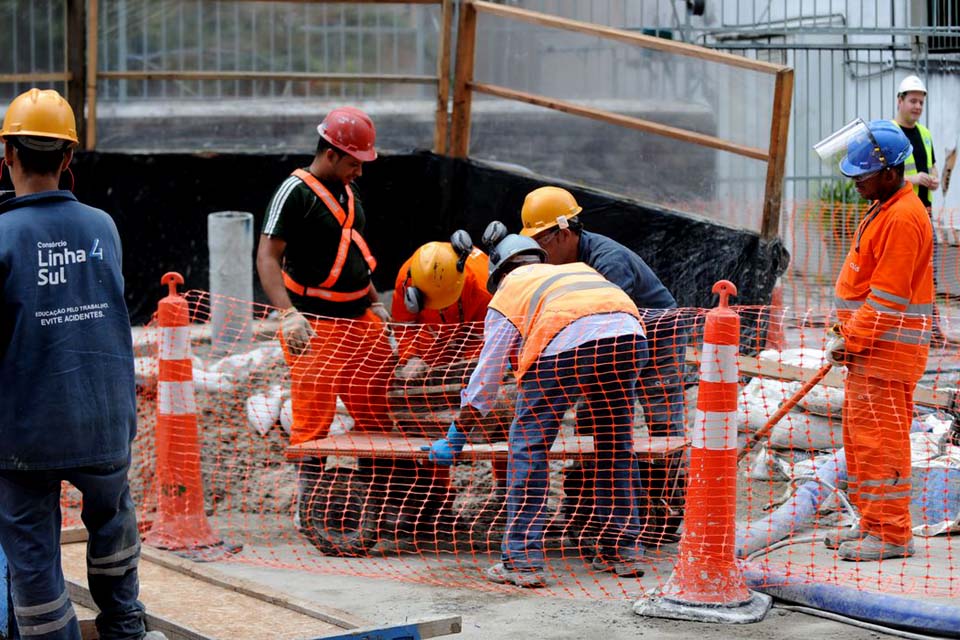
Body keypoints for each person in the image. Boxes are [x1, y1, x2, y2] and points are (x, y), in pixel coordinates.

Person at [0, 89, 163, 639]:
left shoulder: (2, 236)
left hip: (25, 433)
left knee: (32, 557)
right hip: (103, 420)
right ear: (69, 158)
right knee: (112, 526)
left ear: (8, 155)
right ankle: (124, 627)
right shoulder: (104, 227)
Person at [425, 227, 649, 587]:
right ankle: (622, 550)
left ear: (498, 275)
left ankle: (522, 561)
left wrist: (456, 435)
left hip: (565, 346)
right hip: (629, 337)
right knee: (616, 446)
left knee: (529, 448)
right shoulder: (577, 269)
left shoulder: (510, 292)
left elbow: (487, 376)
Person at [519, 186, 687, 542]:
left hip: (656, 336)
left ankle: (665, 512)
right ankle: (583, 509)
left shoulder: (608, 262)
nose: (539, 254)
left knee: (663, 424)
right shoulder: (571, 262)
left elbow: (604, 319)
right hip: (617, 337)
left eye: (541, 243)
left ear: (564, 233)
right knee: (593, 419)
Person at [824, 119, 933, 561]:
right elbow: (866, 286)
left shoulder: (905, 218)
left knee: (882, 442)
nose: (854, 183)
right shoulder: (885, 207)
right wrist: (843, 334)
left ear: (889, 172)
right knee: (861, 440)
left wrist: (849, 339)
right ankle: (872, 521)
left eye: (861, 175)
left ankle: (890, 534)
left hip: (886, 354)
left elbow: (887, 300)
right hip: (870, 352)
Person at [257, 106, 394, 448]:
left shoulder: (347, 189)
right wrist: (288, 315)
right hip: (315, 324)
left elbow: (352, 252)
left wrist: (375, 302)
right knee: (313, 421)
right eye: (354, 163)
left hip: (359, 319)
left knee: (376, 411)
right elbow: (266, 257)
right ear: (331, 155)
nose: (360, 171)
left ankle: (378, 487)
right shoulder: (295, 192)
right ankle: (313, 495)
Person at [390, 232, 491, 382]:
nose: (441, 307)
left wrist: (469, 367)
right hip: (433, 333)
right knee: (428, 365)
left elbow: (485, 335)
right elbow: (404, 325)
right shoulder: (406, 280)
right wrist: (410, 356)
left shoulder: (483, 287)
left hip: (472, 329)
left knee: (476, 372)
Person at [892, 75, 938, 212]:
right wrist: (914, 179)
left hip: (925, 210)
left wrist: (934, 180)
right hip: (901, 211)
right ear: (900, 100)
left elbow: (933, 166)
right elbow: (883, 176)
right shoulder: (890, 133)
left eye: (921, 102)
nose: (918, 106)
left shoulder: (925, 133)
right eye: (913, 101)